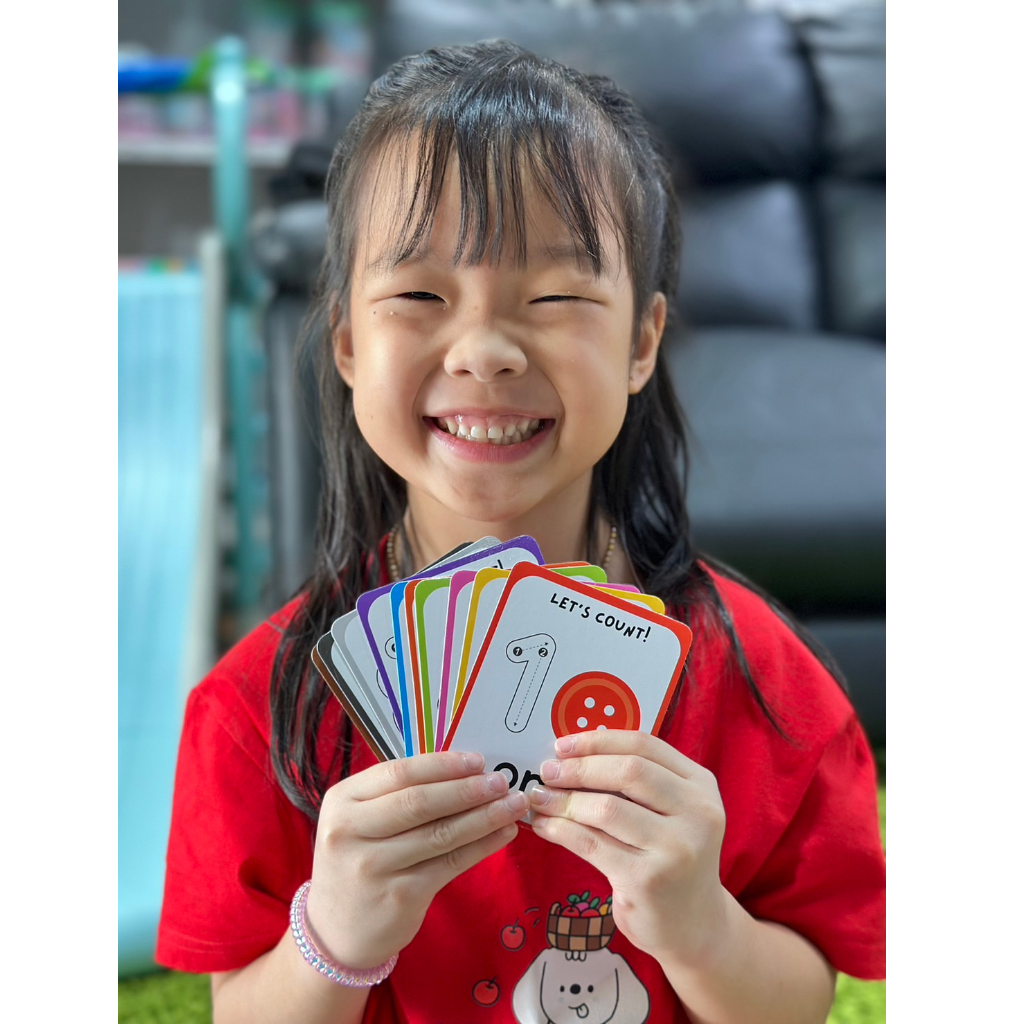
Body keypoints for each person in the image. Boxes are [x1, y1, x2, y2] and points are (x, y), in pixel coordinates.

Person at [157, 40, 886, 1024]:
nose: (486, 351)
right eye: (419, 296)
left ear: (640, 342)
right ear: (347, 342)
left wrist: (701, 928)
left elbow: (800, 1001)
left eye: (555, 298)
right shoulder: (255, 709)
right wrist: (333, 937)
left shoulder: (771, 689)